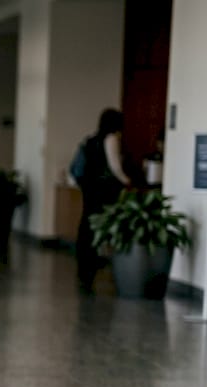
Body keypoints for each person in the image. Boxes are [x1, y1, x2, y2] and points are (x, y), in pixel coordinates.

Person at [75, 108, 133, 291]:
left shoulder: (91, 140)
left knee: (88, 223)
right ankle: (100, 261)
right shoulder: (111, 138)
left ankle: (85, 264)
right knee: (104, 225)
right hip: (103, 190)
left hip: (89, 187)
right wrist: (127, 181)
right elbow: (115, 166)